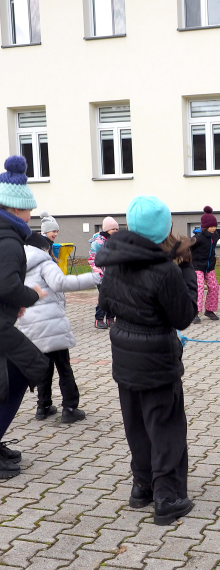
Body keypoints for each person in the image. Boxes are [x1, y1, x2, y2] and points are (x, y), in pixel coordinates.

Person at [96, 196, 198, 526]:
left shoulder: (114, 260)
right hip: (156, 356)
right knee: (165, 425)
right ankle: (167, 497)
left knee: (136, 423)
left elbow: (106, 303)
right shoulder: (166, 270)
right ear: (164, 229)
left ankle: (142, 486)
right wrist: (186, 270)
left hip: (124, 352)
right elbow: (183, 316)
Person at [0, 155, 49, 479]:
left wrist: (12, 304)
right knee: (28, 369)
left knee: (11, 377)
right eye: (29, 210)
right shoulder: (8, 240)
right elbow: (6, 284)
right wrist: (31, 294)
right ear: (16, 209)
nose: (31, 216)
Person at [19, 233, 99, 423]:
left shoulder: (19, 265)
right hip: (51, 324)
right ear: (44, 249)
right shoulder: (45, 263)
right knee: (63, 367)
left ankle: (43, 407)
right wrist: (95, 278)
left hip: (30, 325)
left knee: (44, 367)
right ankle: (70, 408)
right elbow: (60, 283)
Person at [191, 206, 220, 324]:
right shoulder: (197, 238)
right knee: (199, 287)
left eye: (214, 226)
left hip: (209, 266)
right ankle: (195, 312)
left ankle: (209, 310)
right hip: (197, 266)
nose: (213, 228)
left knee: (214, 286)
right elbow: (188, 247)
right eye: (211, 227)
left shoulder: (215, 236)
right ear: (205, 227)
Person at [88, 217, 119, 329]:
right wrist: (99, 273)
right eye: (113, 229)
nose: (115, 231)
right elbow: (92, 259)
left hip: (113, 275)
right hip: (101, 275)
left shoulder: (115, 241)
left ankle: (111, 318)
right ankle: (99, 319)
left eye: (117, 229)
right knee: (104, 297)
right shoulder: (98, 242)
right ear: (106, 229)